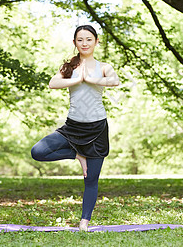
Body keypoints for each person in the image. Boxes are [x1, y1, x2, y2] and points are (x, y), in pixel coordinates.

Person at [31, 25, 120, 231]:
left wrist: (90, 79)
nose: (85, 43)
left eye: (89, 39)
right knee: (38, 151)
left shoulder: (104, 67)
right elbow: (53, 83)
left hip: (97, 129)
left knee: (91, 179)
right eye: (80, 40)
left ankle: (84, 222)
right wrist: (76, 78)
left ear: (96, 42)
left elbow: (114, 81)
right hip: (72, 128)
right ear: (75, 43)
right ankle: (77, 155)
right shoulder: (69, 68)